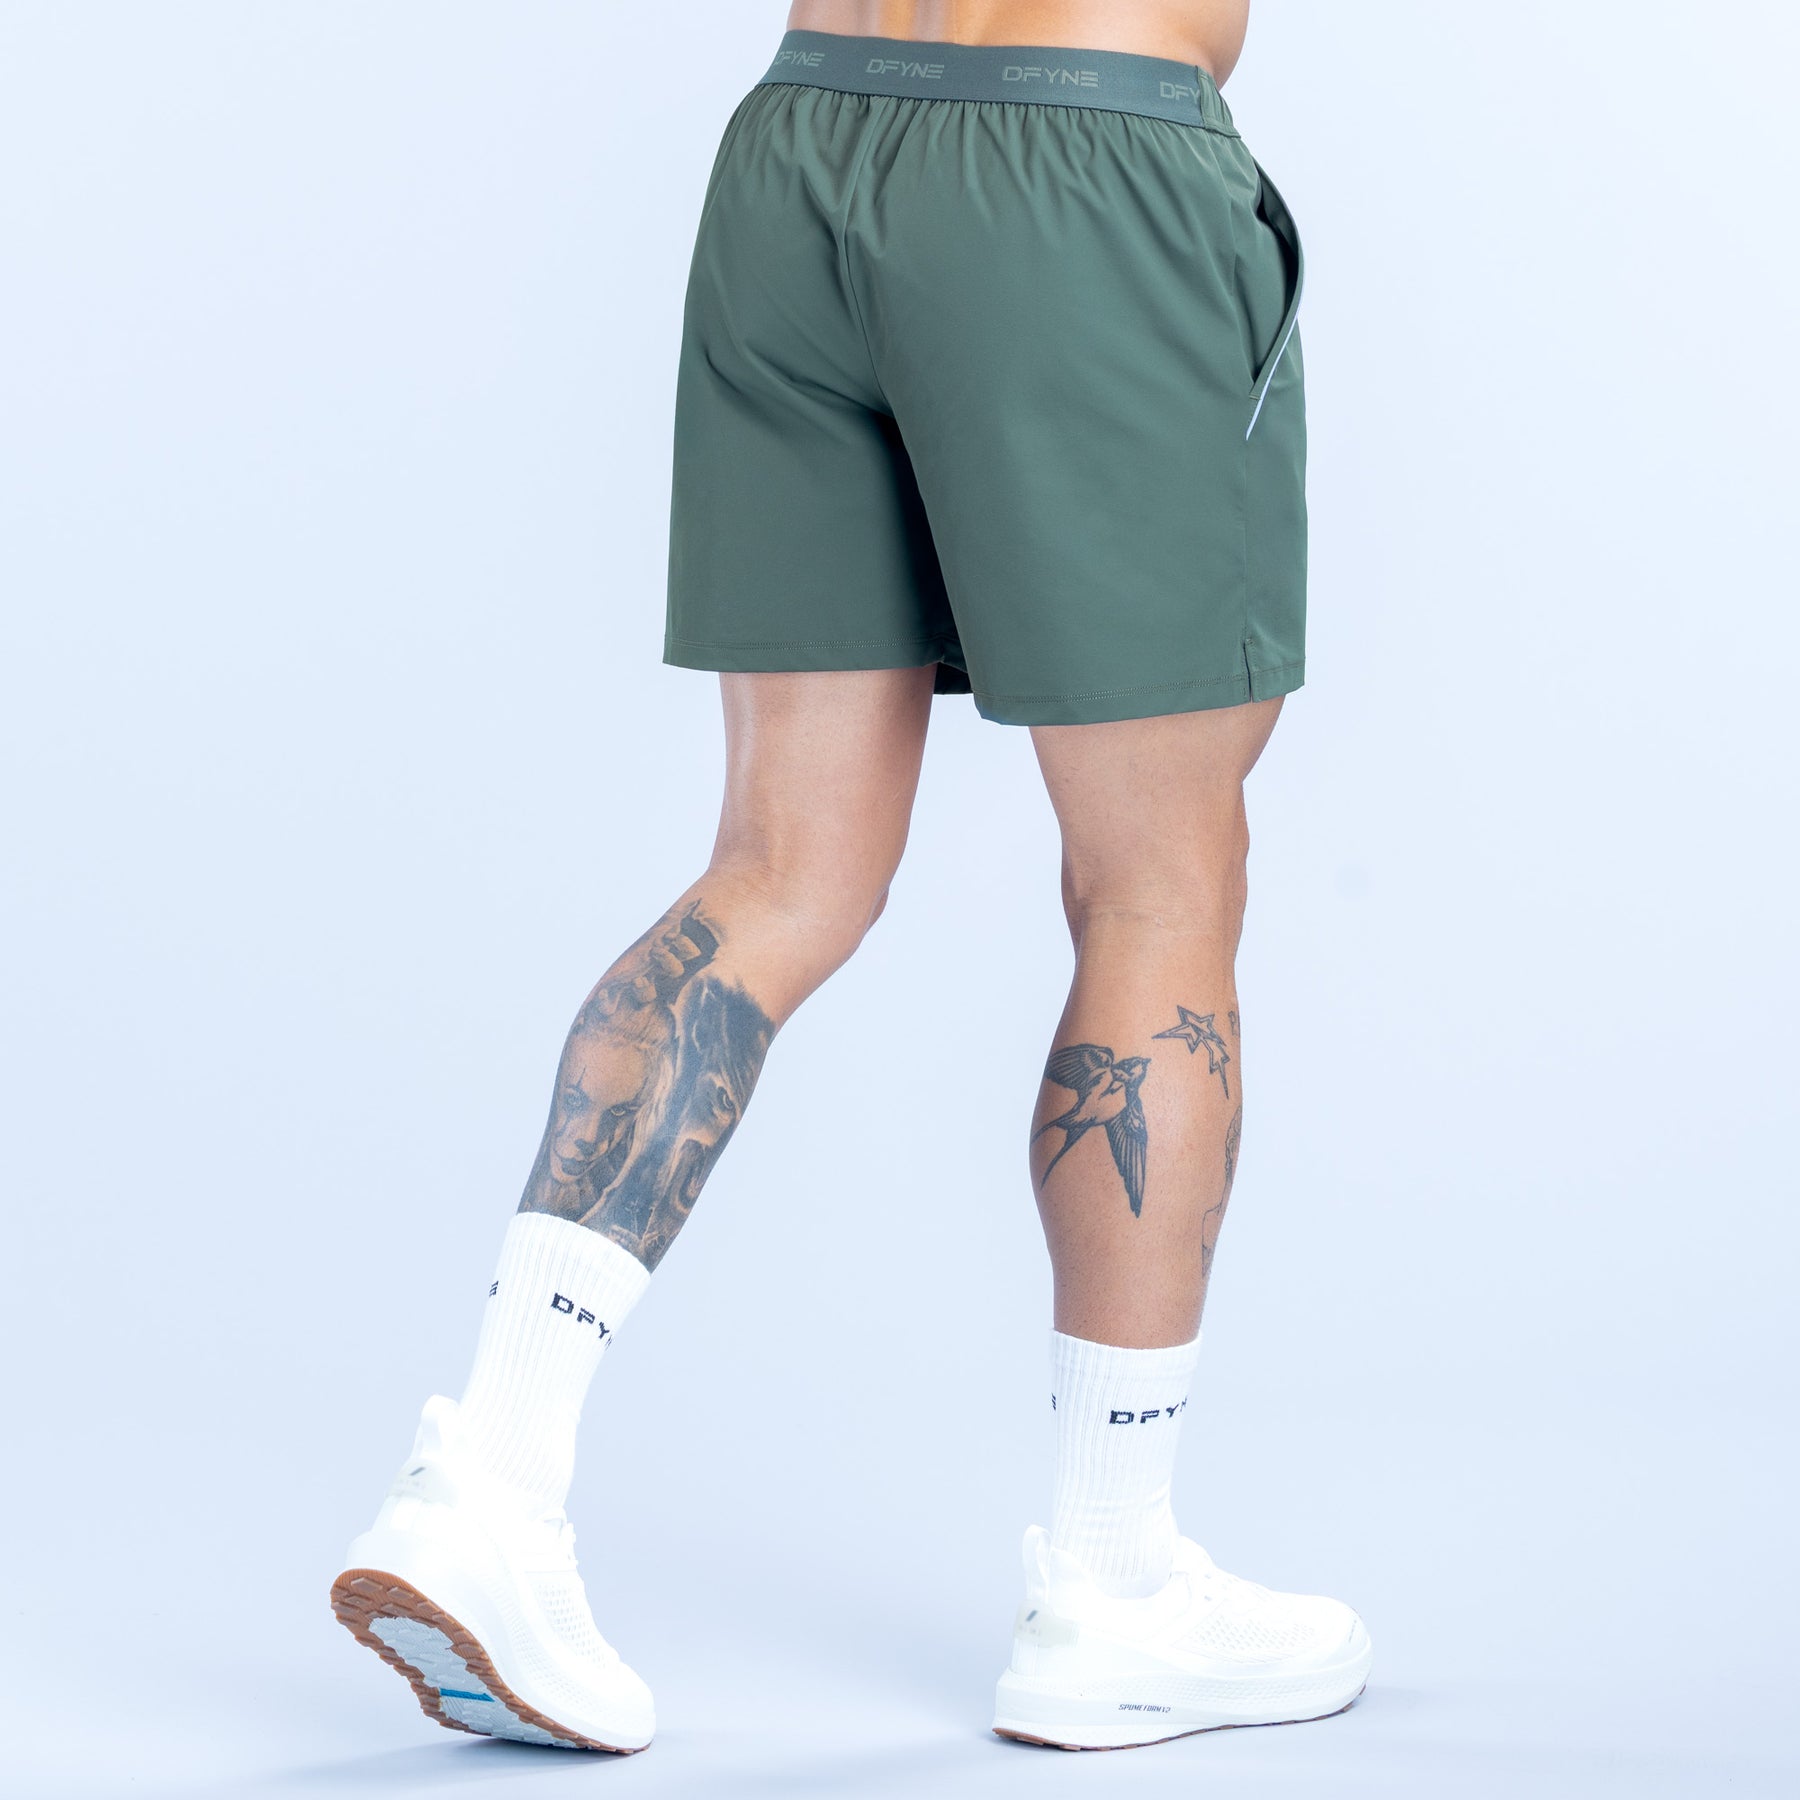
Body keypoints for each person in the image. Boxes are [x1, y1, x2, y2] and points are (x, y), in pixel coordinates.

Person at [331, 0, 1371, 1755]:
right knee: (1162, 886)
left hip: (805, 147)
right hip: (1090, 155)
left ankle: (482, 1483)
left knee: (777, 872)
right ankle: (1113, 1589)